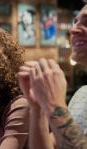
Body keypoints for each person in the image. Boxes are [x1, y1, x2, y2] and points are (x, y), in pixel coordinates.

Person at [18, 5, 87, 149]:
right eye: (75, 22)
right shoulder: (81, 95)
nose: (73, 30)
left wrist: (53, 104)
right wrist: (38, 108)